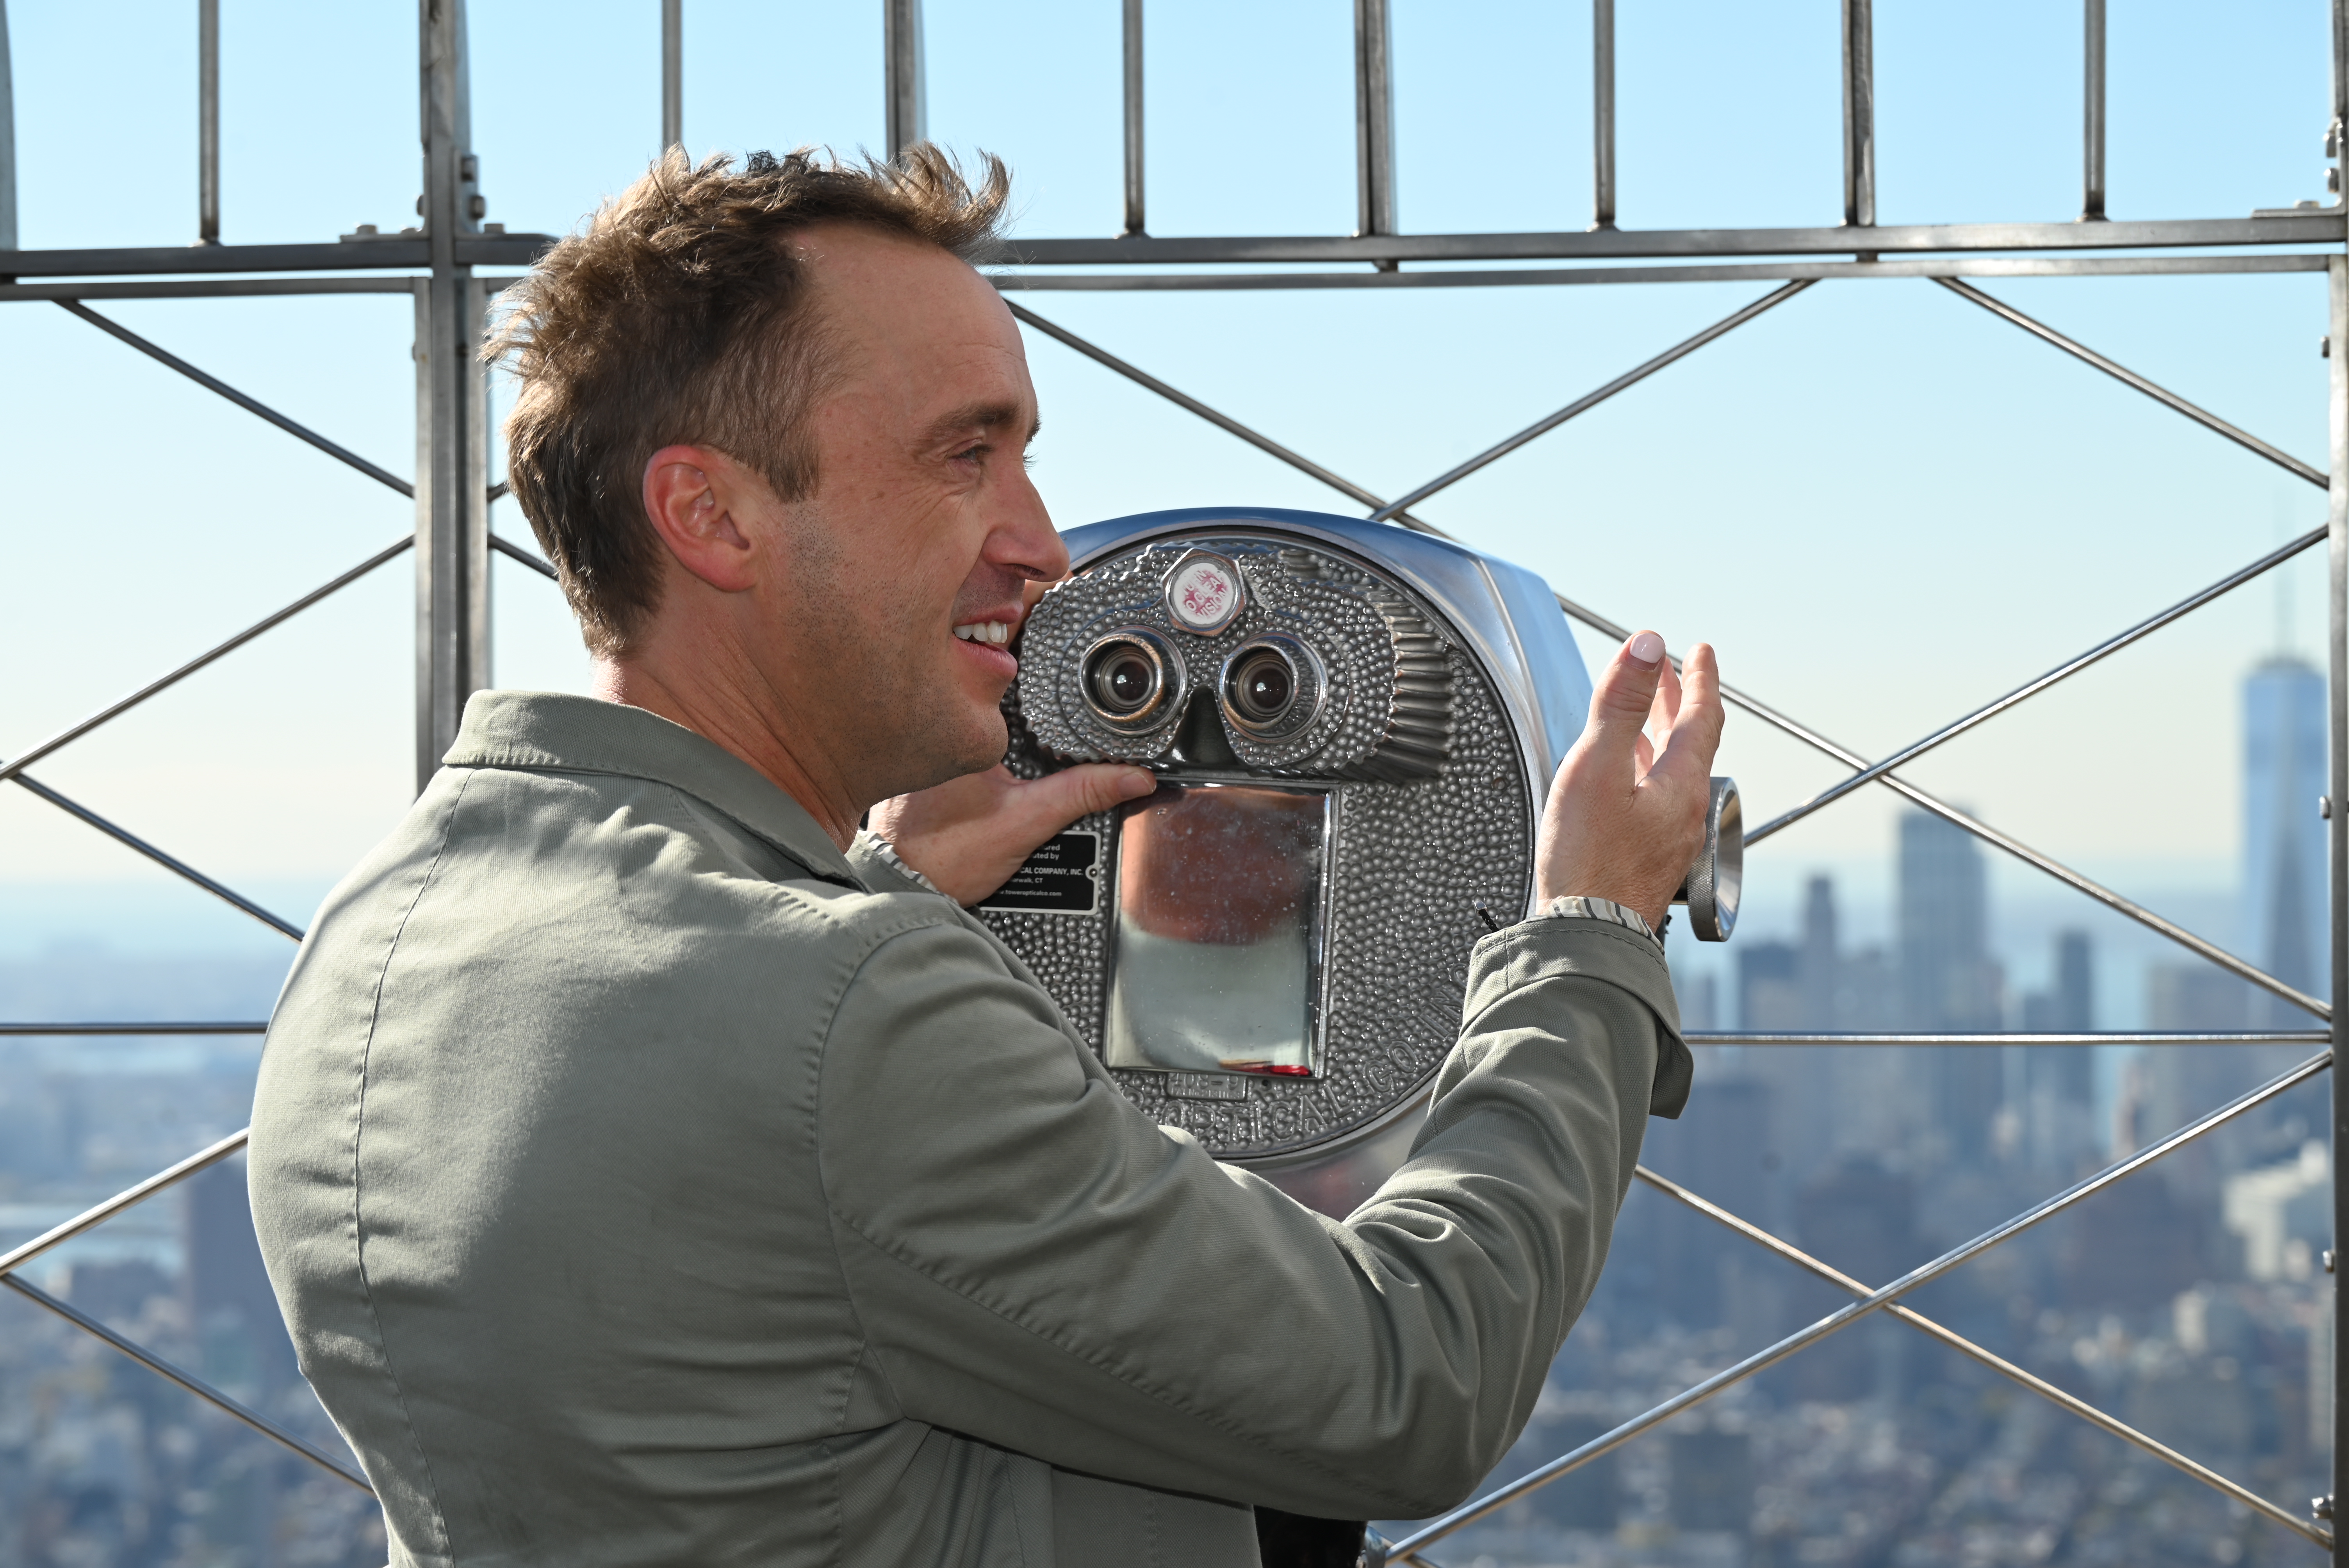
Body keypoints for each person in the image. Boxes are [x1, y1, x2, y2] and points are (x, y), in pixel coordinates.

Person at [248, 146, 1724, 1568]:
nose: (1044, 549)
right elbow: (1415, 1381)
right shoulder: (832, 1013)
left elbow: (728, 1323)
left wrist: (868, 899)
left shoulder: (387, 925)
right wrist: (1591, 926)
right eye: (966, 456)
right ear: (711, 515)